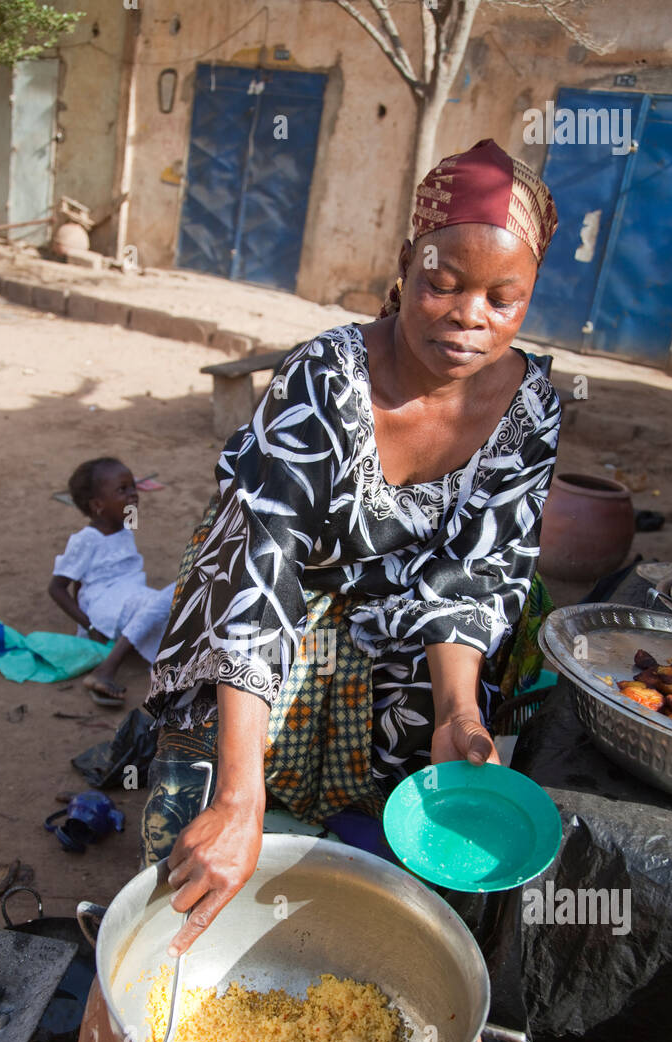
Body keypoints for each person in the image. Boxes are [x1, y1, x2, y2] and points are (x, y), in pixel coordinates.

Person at [143, 139, 561, 952]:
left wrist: (459, 713)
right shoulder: (325, 377)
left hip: (403, 634)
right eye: (443, 284)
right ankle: (198, 879)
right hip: (269, 612)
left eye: (503, 300)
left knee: (415, 836)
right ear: (407, 264)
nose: (470, 317)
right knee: (203, 804)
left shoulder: (530, 402)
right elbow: (258, 563)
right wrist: (240, 793)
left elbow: (475, 575)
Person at [49, 456, 175, 705]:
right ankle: (106, 669)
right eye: (122, 490)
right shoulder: (86, 539)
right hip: (105, 607)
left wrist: (127, 505)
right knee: (176, 592)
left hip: (130, 598)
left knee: (174, 618)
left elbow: (129, 521)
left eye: (133, 487)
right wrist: (90, 626)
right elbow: (57, 588)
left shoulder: (124, 525)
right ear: (97, 505)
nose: (133, 495)